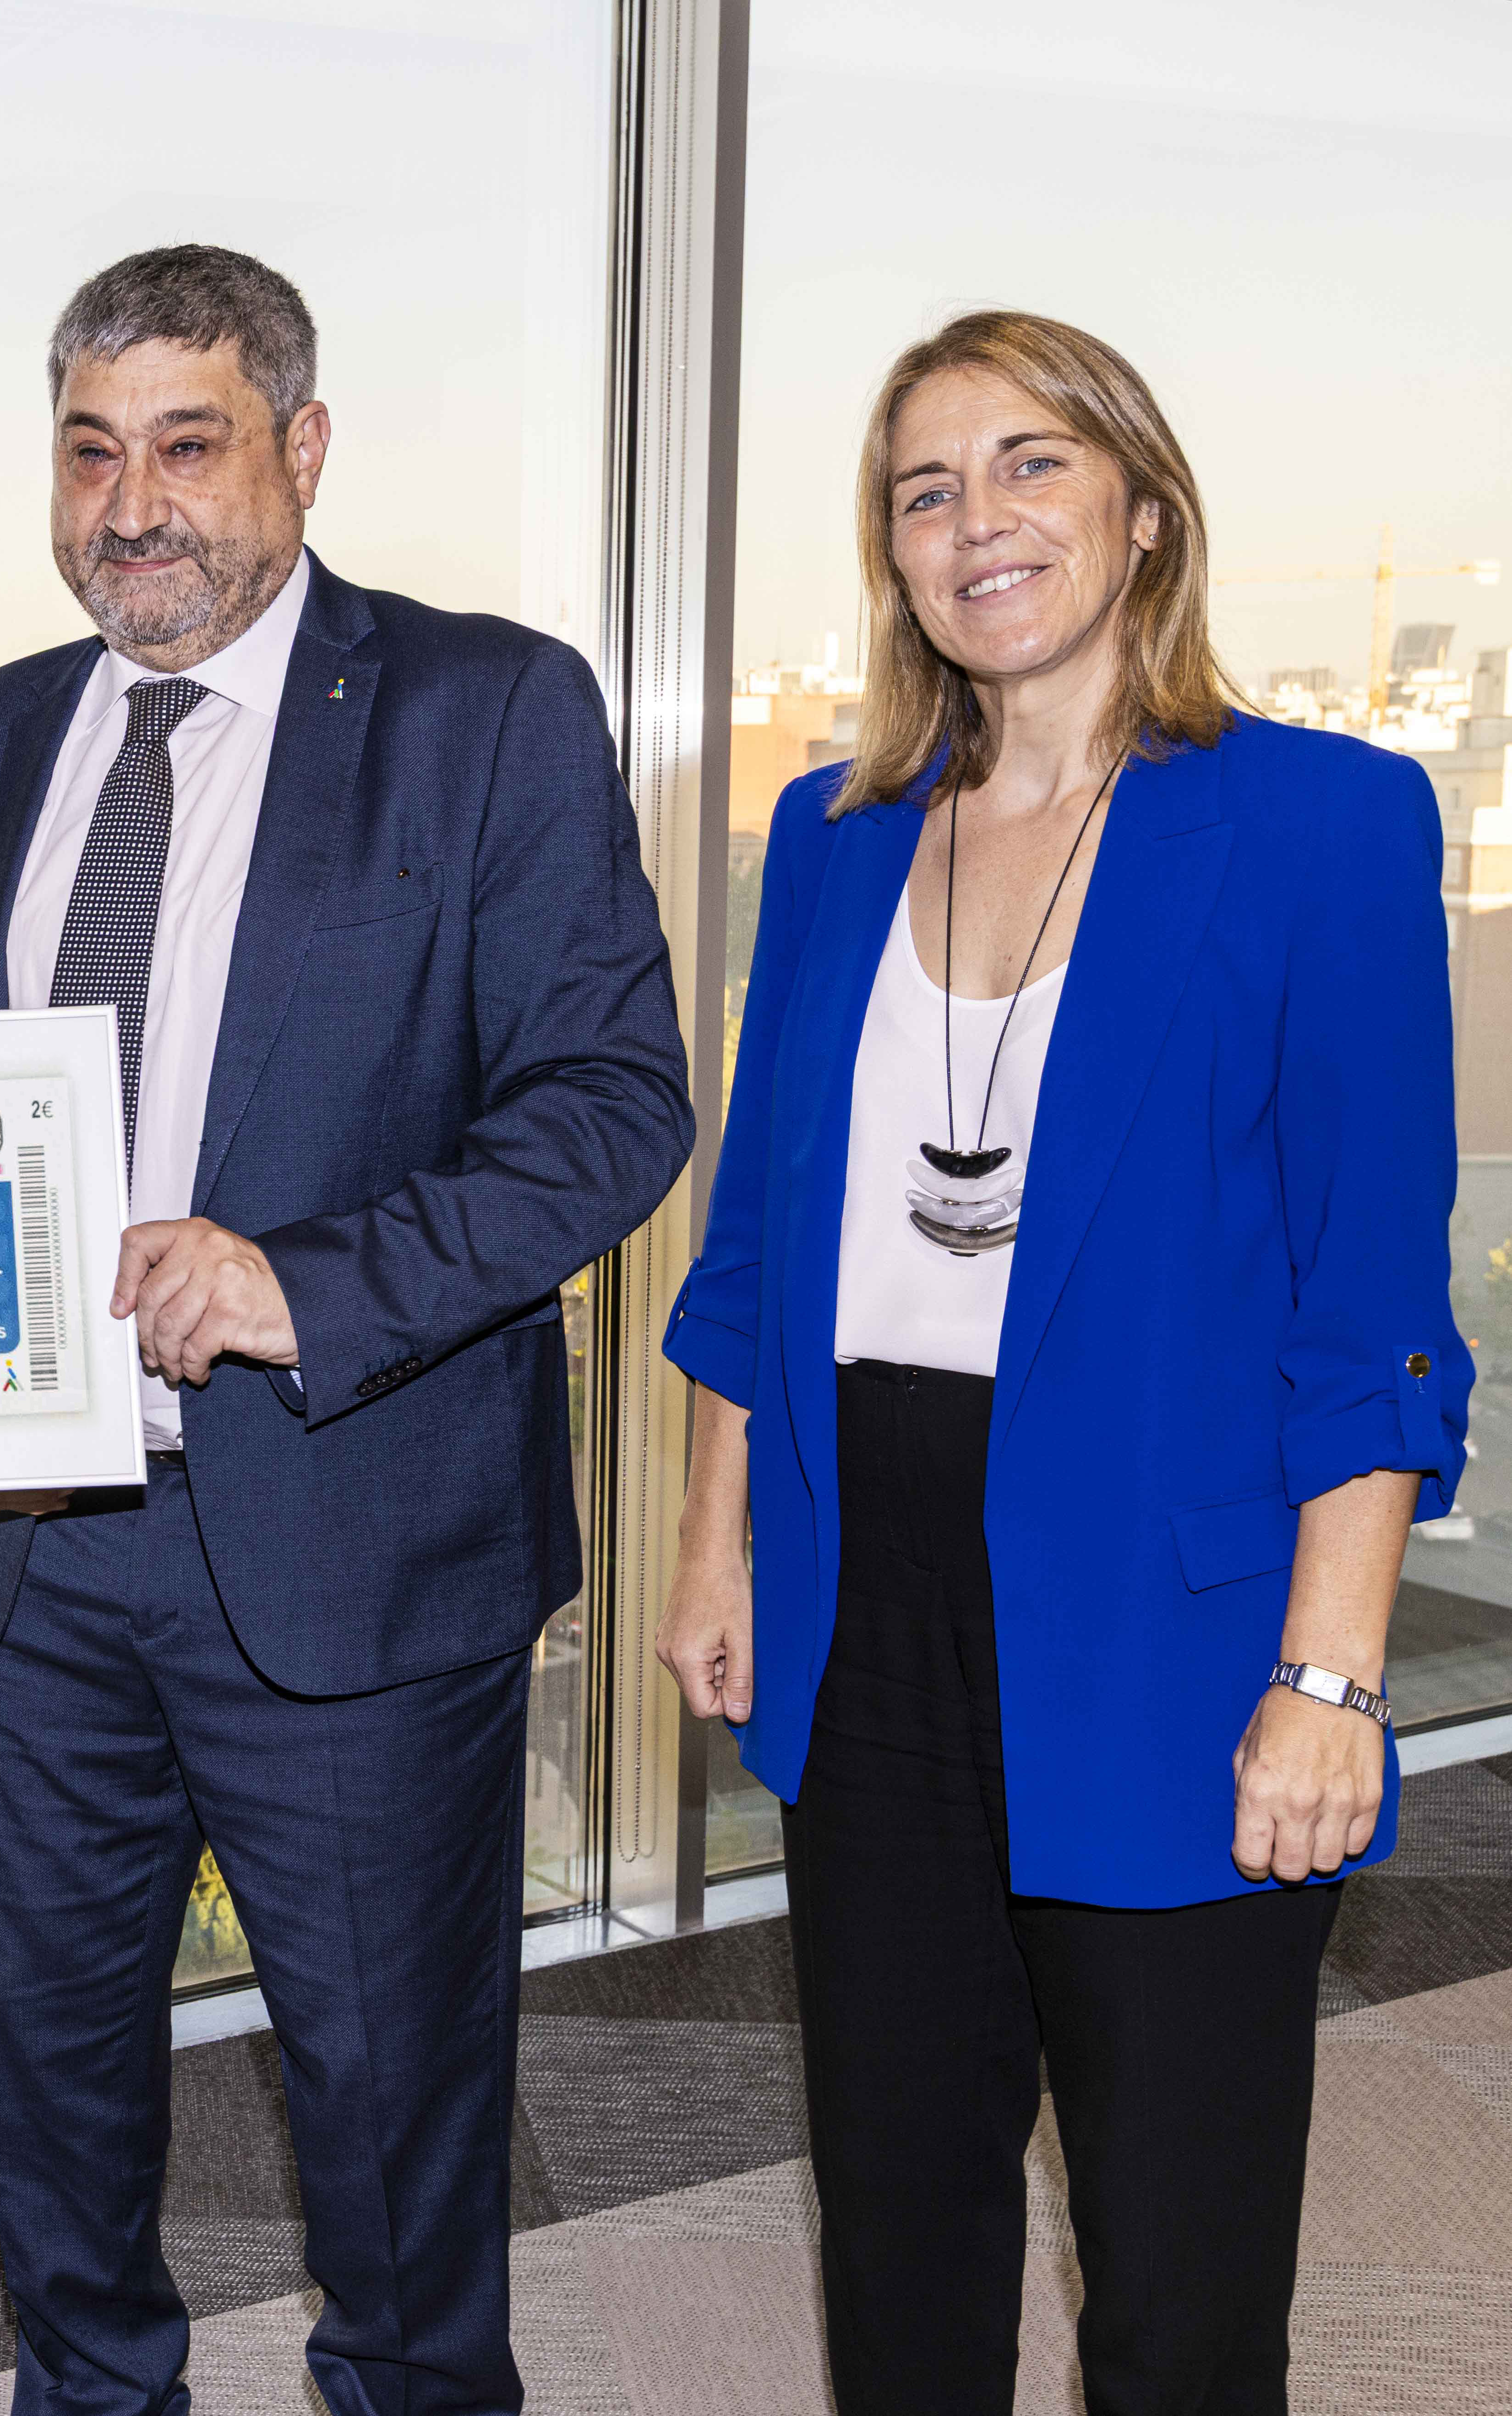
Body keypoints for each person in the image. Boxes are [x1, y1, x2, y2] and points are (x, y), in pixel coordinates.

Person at [0, 245, 691, 2414]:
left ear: (302, 450)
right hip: (50, 1548)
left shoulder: (480, 711)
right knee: (56, 2095)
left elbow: (615, 1105)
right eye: (89, 451)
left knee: (391, 2117)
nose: (129, 503)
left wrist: (297, 1284)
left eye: (187, 444)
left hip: (358, 1532)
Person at [657, 309, 1462, 2416]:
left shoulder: (1323, 824)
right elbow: (759, 1234)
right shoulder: (835, 834)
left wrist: (1332, 1676)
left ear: (1144, 509)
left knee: (1177, 2278)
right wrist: (721, 1536)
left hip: (1173, 1611)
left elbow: (1373, 1300)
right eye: (926, 488)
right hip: (871, 1587)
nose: (978, 520)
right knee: (901, 2218)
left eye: (1031, 465)